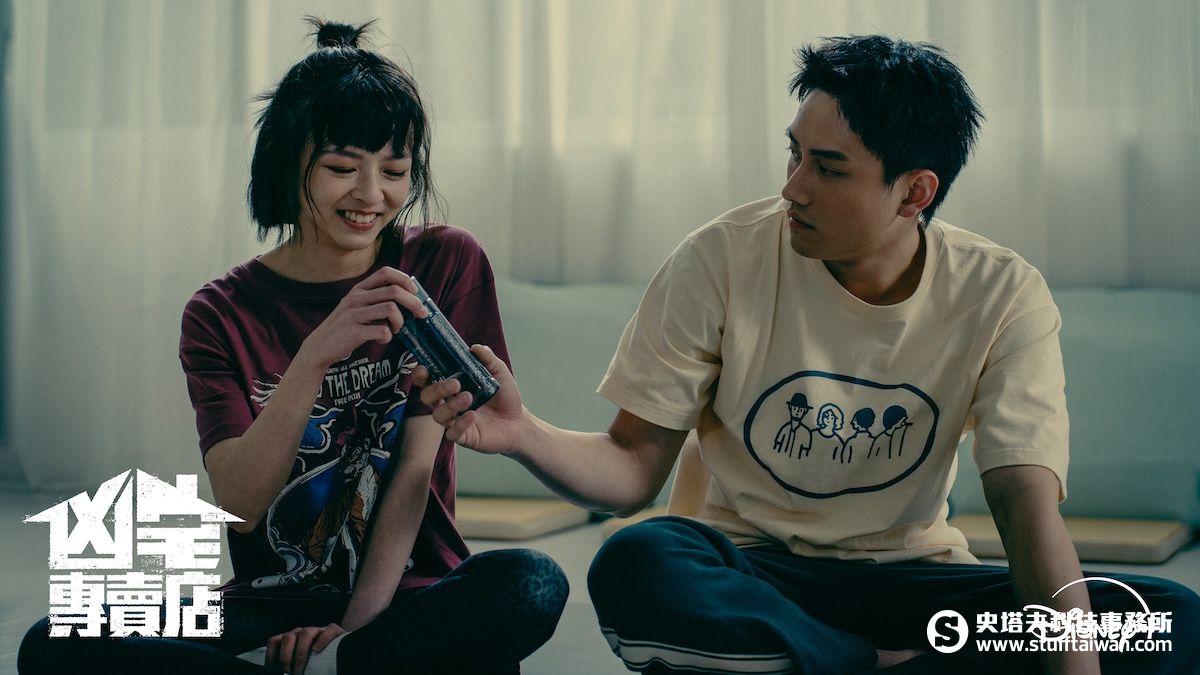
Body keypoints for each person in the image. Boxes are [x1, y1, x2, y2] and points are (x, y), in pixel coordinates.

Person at [417, 35, 1200, 674]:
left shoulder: (1001, 293)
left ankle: (809, 662)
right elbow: (631, 470)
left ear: (915, 192)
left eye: (827, 168)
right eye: (793, 154)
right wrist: (522, 434)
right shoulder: (720, 259)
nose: (793, 187)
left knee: (1159, 620)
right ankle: (867, 663)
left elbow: (1024, 504)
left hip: (913, 583)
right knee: (640, 561)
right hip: (750, 574)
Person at [18, 18, 566, 675]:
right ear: (288, 160)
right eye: (341, 168)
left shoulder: (443, 263)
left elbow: (414, 472)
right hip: (269, 601)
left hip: (405, 595)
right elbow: (242, 506)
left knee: (532, 582)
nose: (372, 195)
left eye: (394, 171)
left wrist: (347, 635)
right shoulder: (219, 313)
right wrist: (313, 356)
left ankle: (340, 665)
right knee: (57, 639)